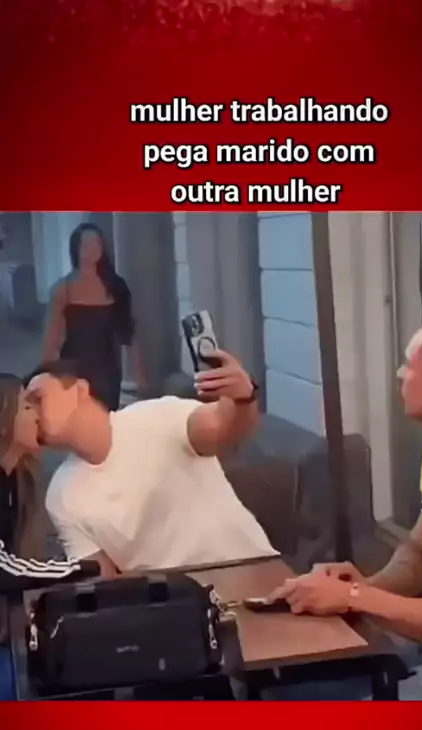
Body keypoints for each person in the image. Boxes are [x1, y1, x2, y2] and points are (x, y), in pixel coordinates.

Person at [268, 314, 422, 701]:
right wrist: (364, 587)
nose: (400, 375)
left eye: (409, 364)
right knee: (292, 682)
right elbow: (421, 553)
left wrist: (356, 598)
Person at [24, 354, 276, 577]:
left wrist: (243, 397)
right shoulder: (62, 496)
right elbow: (100, 580)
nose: (30, 412)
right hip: (176, 601)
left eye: (37, 397)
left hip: (248, 567)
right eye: (24, 407)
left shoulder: (158, 417)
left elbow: (225, 430)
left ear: (80, 388)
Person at [0, 374, 97, 700]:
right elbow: (4, 568)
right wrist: (80, 569)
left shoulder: (16, 482)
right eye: (27, 406)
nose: (38, 414)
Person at [43, 222, 144, 412]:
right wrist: (49, 374)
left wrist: (139, 372)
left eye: (96, 243)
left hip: (107, 372)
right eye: (86, 244)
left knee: (106, 417)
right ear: (76, 248)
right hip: (73, 372)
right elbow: (52, 338)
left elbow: (129, 331)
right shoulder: (64, 288)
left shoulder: (115, 286)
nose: (92, 249)